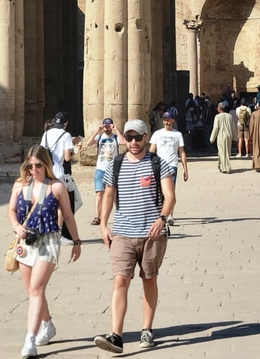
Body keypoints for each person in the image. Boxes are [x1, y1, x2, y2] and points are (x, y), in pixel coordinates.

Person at [94, 120, 176, 354]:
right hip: (122, 233)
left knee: (149, 279)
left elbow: (170, 196)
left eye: (137, 137)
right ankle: (116, 336)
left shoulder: (158, 164)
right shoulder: (116, 164)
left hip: (152, 234)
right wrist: (103, 224)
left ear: (145, 138)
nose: (133, 142)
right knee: (120, 280)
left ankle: (146, 329)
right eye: (129, 137)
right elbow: (108, 195)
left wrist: (162, 219)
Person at [7, 145, 82, 358]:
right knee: (32, 291)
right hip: (25, 241)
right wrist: (16, 226)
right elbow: (11, 211)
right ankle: (47, 324)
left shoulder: (56, 186)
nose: (34, 170)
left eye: (38, 165)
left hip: (49, 240)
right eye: (30, 166)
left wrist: (76, 241)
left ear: (46, 164)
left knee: (37, 288)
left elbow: (68, 215)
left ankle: (30, 339)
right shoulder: (20, 184)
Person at [41, 112, 78, 239]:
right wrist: (74, 150)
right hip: (57, 170)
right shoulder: (66, 135)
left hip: (46, 169)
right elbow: (67, 157)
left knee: (45, 200)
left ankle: (45, 228)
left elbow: (41, 152)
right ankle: (58, 231)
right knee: (61, 204)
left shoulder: (46, 134)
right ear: (65, 123)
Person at [85, 118, 126, 226]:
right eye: (105, 126)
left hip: (112, 169)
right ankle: (97, 217)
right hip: (100, 168)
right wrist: (97, 130)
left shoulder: (115, 137)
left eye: (109, 126)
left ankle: (120, 215)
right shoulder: (99, 137)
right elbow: (88, 143)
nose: (107, 128)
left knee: (114, 193)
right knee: (99, 193)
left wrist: (116, 129)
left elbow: (123, 142)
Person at [149, 113, 188, 225]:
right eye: (164, 120)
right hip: (159, 165)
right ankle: (161, 213)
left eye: (168, 120)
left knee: (170, 190)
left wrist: (185, 169)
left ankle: (170, 214)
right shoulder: (157, 133)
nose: (166, 122)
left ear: (173, 121)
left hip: (171, 165)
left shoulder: (178, 135)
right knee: (158, 190)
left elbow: (182, 152)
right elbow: (152, 150)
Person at [209, 101, 236, 173]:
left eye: (217, 107)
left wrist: (212, 138)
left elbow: (215, 128)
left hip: (221, 136)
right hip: (228, 136)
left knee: (222, 152)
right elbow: (233, 127)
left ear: (220, 108)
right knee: (227, 152)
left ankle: (226, 168)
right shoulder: (229, 116)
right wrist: (234, 137)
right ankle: (221, 165)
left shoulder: (217, 117)